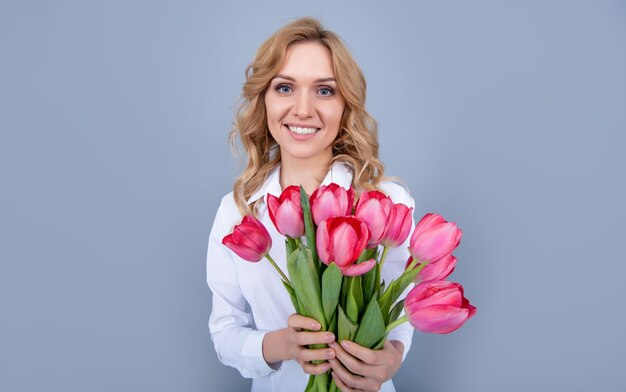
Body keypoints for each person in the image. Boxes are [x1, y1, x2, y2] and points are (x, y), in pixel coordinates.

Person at [206, 17, 416, 392]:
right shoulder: (238, 212)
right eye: (285, 87)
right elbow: (224, 331)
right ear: (264, 100)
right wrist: (278, 345)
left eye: (324, 91)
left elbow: (400, 312)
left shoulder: (383, 202)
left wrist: (393, 357)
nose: (302, 110)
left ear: (346, 104)